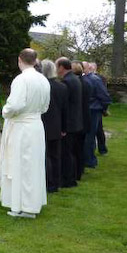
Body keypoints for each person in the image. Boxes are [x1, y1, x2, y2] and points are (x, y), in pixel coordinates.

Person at [0, 48, 51, 218]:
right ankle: (30, 204)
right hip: (36, 126)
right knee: (33, 166)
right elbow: (45, 107)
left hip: (22, 127)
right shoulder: (43, 80)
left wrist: (5, 111)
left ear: (19, 59)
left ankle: (20, 205)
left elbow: (15, 105)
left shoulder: (21, 80)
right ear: (35, 61)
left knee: (19, 165)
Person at [41, 59, 68, 193]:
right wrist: (64, 127)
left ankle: (47, 182)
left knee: (45, 156)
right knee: (55, 155)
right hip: (56, 124)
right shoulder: (62, 87)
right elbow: (65, 110)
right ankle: (55, 183)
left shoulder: (41, 86)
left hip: (43, 124)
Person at [56, 57, 82, 188]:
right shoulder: (75, 79)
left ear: (61, 67)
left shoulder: (67, 81)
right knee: (71, 152)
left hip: (69, 122)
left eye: (57, 66)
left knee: (66, 152)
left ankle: (68, 179)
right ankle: (72, 177)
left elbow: (65, 105)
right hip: (76, 120)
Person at [82, 62, 111, 168]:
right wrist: (104, 108)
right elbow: (104, 97)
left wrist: (103, 108)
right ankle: (88, 159)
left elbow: (104, 97)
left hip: (92, 109)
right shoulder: (92, 79)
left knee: (89, 135)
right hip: (92, 109)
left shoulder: (93, 80)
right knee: (89, 135)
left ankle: (88, 159)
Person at [72, 62, 91, 178]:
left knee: (75, 147)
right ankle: (80, 169)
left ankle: (76, 171)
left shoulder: (76, 83)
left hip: (78, 118)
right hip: (85, 117)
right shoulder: (86, 82)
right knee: (81, 145)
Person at [92, 63, 109, 155]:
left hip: (97, 106)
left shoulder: (100, 78)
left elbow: (103, 93)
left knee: (98, 129)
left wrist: (104, 108)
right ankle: (94, 148)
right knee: (95, 129)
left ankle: (102, 148)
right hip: (94, 107)